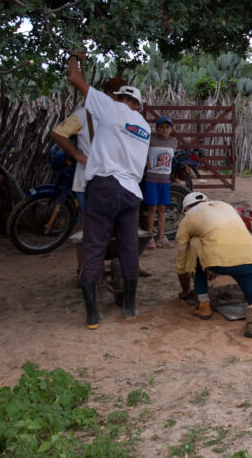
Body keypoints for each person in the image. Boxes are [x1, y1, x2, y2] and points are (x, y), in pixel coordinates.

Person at [67, 50, 151, 329]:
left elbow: (74, 78)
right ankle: (129, 307)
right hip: (130, 193)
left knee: (93, 249)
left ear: (120, 99)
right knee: (128, 249)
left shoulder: (111, 107)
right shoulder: (144, 127)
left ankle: (92, 315)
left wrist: (75, 56)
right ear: (137, 105)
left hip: (102, 187)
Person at [50, 76, 126, 279]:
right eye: (117, 96)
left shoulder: (123, 117)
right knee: (89, 226)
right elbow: (58, 133)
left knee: (115, 225)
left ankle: (112, 268)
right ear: (107, 95)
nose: (118, 101)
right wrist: (77, 155)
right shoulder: (85, 115)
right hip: (88, 181)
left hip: (115, 180)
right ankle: (85, 270)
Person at [174, 192, 252, 338]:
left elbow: (182, 257)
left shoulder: (188, 218)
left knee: (194, 243)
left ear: (186, 210)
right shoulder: (226, 206)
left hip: (217, 261)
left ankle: (203, 305)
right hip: (249, 258)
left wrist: (185, 289)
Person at [144, 116, 177, 249]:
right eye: (161, 127)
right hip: (152, 179)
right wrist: (147, 164)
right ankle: (150, 236)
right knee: (152, 208)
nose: (164, 130)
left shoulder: (174, 142)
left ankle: (161, 236)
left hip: (165, 180)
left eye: (167, 127)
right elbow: (142, 153)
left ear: (171, 129)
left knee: (162, 209)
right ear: (156, 129)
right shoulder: (151, 141)